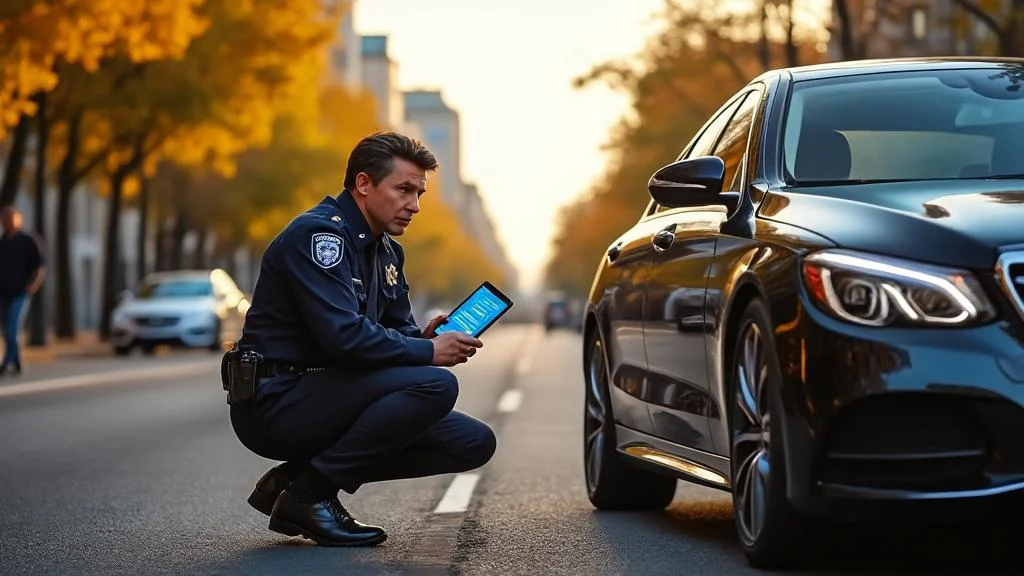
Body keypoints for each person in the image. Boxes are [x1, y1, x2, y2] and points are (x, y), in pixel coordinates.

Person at [225, 132, 495, 547]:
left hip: (333, 391)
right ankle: (308, 497)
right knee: (435, 383)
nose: (415, 205)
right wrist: (429, 351)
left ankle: (296, 479)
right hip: (278, 401)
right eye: (404, 189)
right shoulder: (319, 238)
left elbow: (396, 326)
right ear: (364, 184)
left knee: (473, 442)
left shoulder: (386, 251)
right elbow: (344, 338)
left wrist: (422, 336)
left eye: (420, 193)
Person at [0, 206, 46, 377]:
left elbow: (40, 267)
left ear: (18, 219)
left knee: (12, 327)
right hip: (4, 293)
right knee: (7, 329)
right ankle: (17, 362)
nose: (7, 222)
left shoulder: (28, 241)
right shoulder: (2, 243)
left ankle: (6, 362)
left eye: (10, 218)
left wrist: (33, 285)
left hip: (20, 293)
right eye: (4, 218)